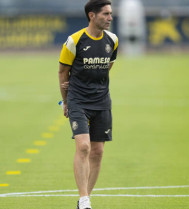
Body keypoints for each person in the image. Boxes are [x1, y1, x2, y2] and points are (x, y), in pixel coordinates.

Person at [58, 0, 118, 208]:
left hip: (102, 101)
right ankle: (84, 199)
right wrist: (66, 101)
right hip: (78, 100)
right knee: (83, 146)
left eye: (111, 14)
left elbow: (107, 66)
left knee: (98, 151)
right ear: (92, 15)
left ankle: (86, 197)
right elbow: (62, 71)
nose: (110, 18)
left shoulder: (113, 40)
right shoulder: (74, 41)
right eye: (106, 14)